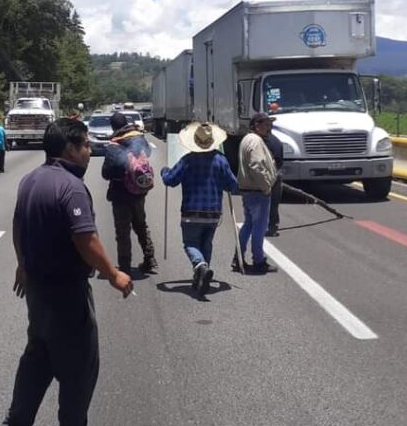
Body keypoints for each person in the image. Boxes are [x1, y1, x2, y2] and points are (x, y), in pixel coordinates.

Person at [0, 118, 133, 426]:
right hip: (66, 291)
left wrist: (22, 265)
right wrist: (114, 274)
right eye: (85, 144)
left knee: (38, 357)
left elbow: (18, 225)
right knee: (80, 365)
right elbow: (85, 239)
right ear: (69, 149)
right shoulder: (71, 187)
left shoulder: (31, 179)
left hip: (38, 289)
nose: (89, 150)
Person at [160, 122, 238, 297]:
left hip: (191, 211)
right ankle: (201, 276)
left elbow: (170, 180)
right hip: (213, 212)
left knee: (190, 243)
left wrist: (164, 171)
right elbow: (232, 185)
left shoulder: (188, 160)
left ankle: (200, 266)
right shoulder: (220, 160)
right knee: (206, 243)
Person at [101, 112, 158, 275]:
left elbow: (107, 172)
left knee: (123, 232)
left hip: (120, 195)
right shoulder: (139, 138)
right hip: (139, 193)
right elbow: (148, 154)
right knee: (141, 226)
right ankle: (150, 260)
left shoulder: (114, 145)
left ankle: (125, 266)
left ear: (113, 126)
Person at [237, 113, 279, 274]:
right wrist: (266, 185)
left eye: (269, 125)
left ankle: (238, 257)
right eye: (266, 125)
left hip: (250, 190)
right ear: (256, 126)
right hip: (257, 191)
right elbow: (256, 165)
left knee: (249, 224)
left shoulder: (248, 139)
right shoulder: (255, 141)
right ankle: (259, 261)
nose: (269, 128)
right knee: (259, 228)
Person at [265, 129, 284, 237]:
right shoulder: (277, 141)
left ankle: (263, 226)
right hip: (278, 173)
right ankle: (273, 227)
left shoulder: (263, 142)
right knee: (274, 204)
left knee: (264, 203)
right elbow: (281, 160)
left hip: (267, 174)